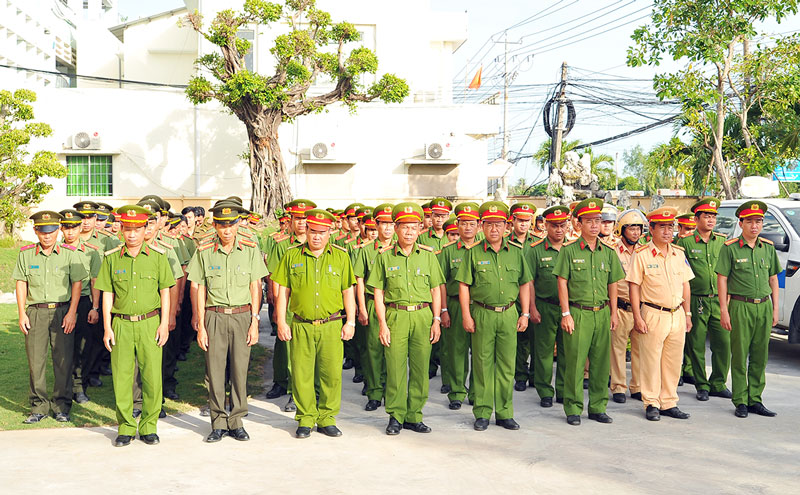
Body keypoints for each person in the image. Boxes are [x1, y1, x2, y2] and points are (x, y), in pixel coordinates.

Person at [95, 205, 175, 447]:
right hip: (121, 325)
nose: (131, 234)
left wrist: (164, 324)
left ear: (145, 230)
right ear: (121, 229)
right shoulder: (111, 259)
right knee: (122, 378)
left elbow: (165, 292)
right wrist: (107, 327)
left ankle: (149, 426)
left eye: (136, 229)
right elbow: (107, 293)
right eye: (127, 229)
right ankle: (126, 426)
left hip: (150, 323)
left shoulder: (158, 257)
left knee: (152, 377)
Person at [272, 209, 356, 438]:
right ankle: (305, 418)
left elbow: (348, 290)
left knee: (331, 375)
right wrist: (281, 321)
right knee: (302, 374)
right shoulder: (292, 256)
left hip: (331, 324)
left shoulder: (341, 256)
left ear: (330, 232)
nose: (316, 237)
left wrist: (351, 321)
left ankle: (327, 418)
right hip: (301, 324)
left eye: (321, 232)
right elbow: (284, 292)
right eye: (312, 231)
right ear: (306, 231)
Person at [187, 201, 265, 442]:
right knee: (215, 372)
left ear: (238, 224)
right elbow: (198, 287)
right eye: (222, 225)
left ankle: (237, 420)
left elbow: (255, 285)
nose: (227, 230)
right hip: (215, 316)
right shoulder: (204, 250)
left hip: (242, 316)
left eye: (231, 224)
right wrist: (200, 323)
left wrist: (254, 320)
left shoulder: (250, 248)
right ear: (215, 225)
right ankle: (218, 421)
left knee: (240, 371)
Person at [367, 202, 444, 435]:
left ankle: (414, 415)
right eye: (404, 227)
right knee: (395, 368)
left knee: (420, 368)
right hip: (396, 316)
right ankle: (396, 415)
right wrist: (382, 324)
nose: (409, 232)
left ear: (420, 228)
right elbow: (378, 292)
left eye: (414, 227)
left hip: (422, 316)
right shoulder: (384, 257)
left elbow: (435, 290)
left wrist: (436, 320)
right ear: (396, 228)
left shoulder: (428, 256)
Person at [457, 201, 532, 431]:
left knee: (507, 366)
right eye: (489, 225)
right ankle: (482, 412)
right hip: (482, 314)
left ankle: (504, 413)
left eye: (498, 224)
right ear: (482, 226)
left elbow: (524, 284)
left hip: (509, 313)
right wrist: (467, 315)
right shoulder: (473, 253)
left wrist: (525, 313)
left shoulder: (516, 253)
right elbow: (463, 286)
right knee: (482, 364)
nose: (494, 230)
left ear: (506, 226)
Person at [553, 198, 625, 426]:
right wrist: (566, 313)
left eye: (598, 220)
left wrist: (614, 313)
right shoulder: (569, 250)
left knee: (601, 362)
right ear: (578, 223)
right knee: (574, 363)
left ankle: (597, 406)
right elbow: (562, 282)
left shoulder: (608, 252)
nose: (595, 225)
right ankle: (573, 408)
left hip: (602, 312)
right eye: (589, 221)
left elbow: (613, 283)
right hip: (578, 312)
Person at [13, 211, 87, 424]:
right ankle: (38, 407)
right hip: (35, 312)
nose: (47, 236)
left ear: (58, 230)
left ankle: (62, 406)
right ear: (36, 231)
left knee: (63, 361)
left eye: (52, 231)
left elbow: (77, 283)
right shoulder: (26, 254)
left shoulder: (69, 254)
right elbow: (20, 283)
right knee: (36, 362)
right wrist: (21, 313)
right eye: (43, 232)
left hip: (62, 311)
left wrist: (72, 312)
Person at [627, 207, 694, 422]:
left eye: (670, 227)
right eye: (662, 227)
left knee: (673, 362)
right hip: (653, 312)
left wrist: (688, 314)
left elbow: (686, 285)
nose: (667, 232)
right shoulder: (642, 254)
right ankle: (652, 403)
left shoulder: (679, 254)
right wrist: (637, 316)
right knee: (651, 361)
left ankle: (669, 402)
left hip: (677, 314)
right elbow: (634, 286)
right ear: (652, 229)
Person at [716, 200, 781, 419]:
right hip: (740, 306)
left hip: (763, 306)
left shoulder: (768, 248)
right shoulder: (730, 248)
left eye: (759, 221)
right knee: (740, 354)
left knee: (760, 356)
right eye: (750, 222)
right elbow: (722, 279)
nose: (755, 226)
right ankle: (741, 400)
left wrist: (774, 309)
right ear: (741, 223)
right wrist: (724, 310)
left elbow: (773, 279)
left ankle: (756, 399)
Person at [675, 198, 731, 401]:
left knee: (723, 343)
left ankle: (718, 382)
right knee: (696, 344)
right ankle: (701, 384)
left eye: (713, 216)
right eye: (706, 216)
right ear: (696, 219)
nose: (711, 220)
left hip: (719, 300)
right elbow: (681, 275)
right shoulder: (686, 243)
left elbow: (728, 272)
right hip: (696, 300)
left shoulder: (723, 241)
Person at [265, 199, 316, 412]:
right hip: (287, 303)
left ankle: (299, 392)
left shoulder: (318, 242)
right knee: (284, 345)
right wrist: (278, 307)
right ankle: (282, 382)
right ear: (291, 221)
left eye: (305, 218)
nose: (302, 223)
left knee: (304, 351)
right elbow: (276, 278)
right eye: (298, 218)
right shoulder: (282, 243)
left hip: (308, 304)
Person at [524, 205, 570, 407]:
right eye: (554, 226)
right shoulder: (535, 251)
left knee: (567, 351)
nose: (558, 230)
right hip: (545, 306)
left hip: (568, 308)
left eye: (562, 225)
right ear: (546, 226)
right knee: (543, 352)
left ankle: (562, 390)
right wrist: (532, 308)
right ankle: (544, 390)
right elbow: (529, 282)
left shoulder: (573, 249)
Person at [437, 202, 480, 410]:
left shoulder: (485, 250)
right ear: (457, 225)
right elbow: (441, 283)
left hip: (480, 306)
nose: (468, 228)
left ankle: (476, 392)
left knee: (481, 352)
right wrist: (443, 310)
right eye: (464, 224)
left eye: (472, 223)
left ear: (478, 226)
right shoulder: (448, 251)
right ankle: (456, 392)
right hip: (454, 305)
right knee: (457, 351)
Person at [59, 209, 103, 405]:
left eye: (74, 227)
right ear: (61, 229)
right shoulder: (55, 250)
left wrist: (95, 307)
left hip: (84, 303)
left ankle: (80, 386)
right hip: (61, 303)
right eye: (66, 228)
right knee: (63, 349)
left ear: (79, 229)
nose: (70, 232)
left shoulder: (91, 251)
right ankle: (66, 387)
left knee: (84, 347)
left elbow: (95, 280)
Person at [354, 203, 395, 411]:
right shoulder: (366, 250)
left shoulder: (400, 248)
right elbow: (359, 280)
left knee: (393, 350)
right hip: (371, 302)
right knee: (373, 351)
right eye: (383, 224)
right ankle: (374, 392)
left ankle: (391, 391)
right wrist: (361, 308)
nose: (387, 228)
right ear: (375, 225)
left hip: (394, 305)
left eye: (391, 224)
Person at [609, 209, 646, 403]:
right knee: (618, 349)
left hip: (641, 308)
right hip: (621, 307)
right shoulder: (612, 251)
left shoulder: (644, 250)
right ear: (622, 230)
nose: (635, 233)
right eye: (631, 228)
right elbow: (611, 283)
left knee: (641, 349)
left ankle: (637, 386)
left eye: (638, 229)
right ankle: (618, 387)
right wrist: (613, 311)